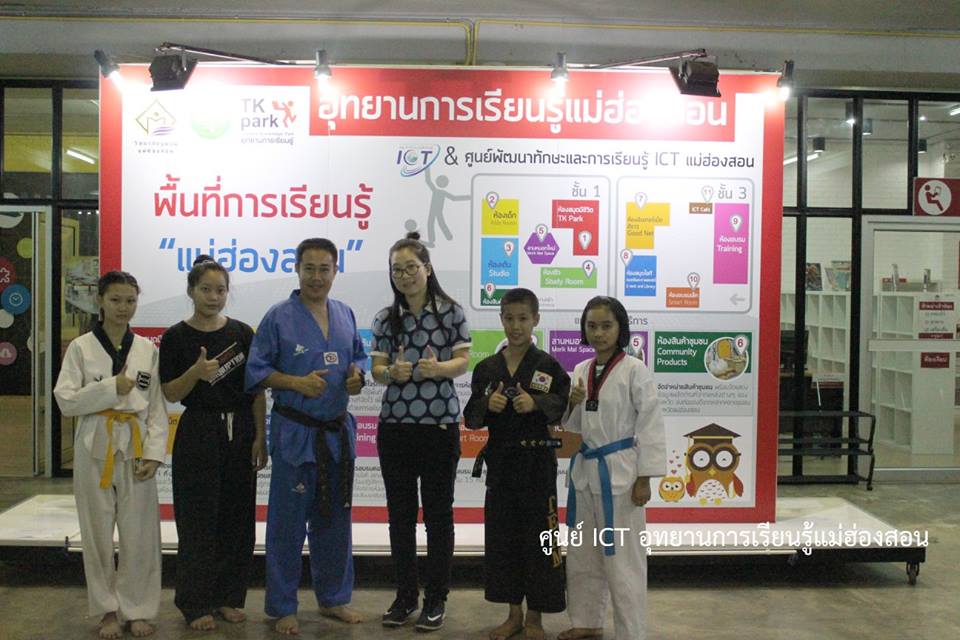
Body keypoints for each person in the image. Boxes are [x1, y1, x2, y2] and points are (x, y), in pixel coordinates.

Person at [244, 238, 368, 636]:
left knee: (335, 520)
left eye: (324, 269)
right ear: (297, 269)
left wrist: (357, 376)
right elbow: (256, 372)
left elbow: (359, 357)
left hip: (336, 434)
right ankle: (283, 606)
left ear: (335, 271)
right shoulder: (278, 317)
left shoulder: (345, 313)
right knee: (288, 523)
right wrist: (295, 382)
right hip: (296, 432)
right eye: (309, 268)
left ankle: (333, 598)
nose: (317, 276)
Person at [54, 271, 169, 640]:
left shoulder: (147, 350)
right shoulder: (81, 347)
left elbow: (156, 407)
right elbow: (65, 401)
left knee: (141, 535)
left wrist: (154, 453)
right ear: (100, 301)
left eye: (130, 301)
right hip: (95, 445)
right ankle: (106, 610)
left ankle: (138, 610)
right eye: (116, 300)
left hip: (135, 445)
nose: (123, 308)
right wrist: (109, 388)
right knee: (97, 534)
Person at [159, 255, 267, 630]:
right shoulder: (176, 337)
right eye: (205, 289)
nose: (213, 296)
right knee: (197, 519)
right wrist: (196, 372)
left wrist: (260, 436)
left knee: (237, 518)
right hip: (198, 430)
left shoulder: (242, 333)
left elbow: (256, 391)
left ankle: (228, 597)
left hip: (241, 429)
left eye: (220, 290)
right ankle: (195, 603)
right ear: (191, 291)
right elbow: (170, 393)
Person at [370, 231, 471, 632]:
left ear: (427, 269)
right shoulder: (385, 318)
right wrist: (390, 373)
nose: (405, 276)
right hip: (395, 427)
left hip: (438, 426)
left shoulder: (451, 312)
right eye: (397, 270)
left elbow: (463, 361)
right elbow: (377, 370)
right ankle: (405, 596)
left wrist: (438, 368)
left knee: (439, 516)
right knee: (400, 517)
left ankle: (436, 598)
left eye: (411, 267)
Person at [464, 288, 570, 640]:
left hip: (537, 465)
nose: (516, 326)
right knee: (504, 541)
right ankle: (513, 615)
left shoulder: (548, 366)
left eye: (523, 318)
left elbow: (563, 404)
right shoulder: (487, 368)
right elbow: (471, 416)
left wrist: (537, 404)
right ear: (501, 320)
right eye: (509, 318)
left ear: (536, 319)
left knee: (540, 541)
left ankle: (536, 618)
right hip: (502, 465)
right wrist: (488, 406)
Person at [559, 296, 666, 640]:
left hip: (620, 475)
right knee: (582, 555)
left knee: (624, 560)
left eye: (606, 326)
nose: (599, 333)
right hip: (585, 473)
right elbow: (573, 426)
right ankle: (587, 622)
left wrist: (644, 478)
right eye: (592, 326)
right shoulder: (581, 369)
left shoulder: (635, 370)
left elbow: (650, 425)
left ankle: (631, 632)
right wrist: (570, 404)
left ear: (621, 328)